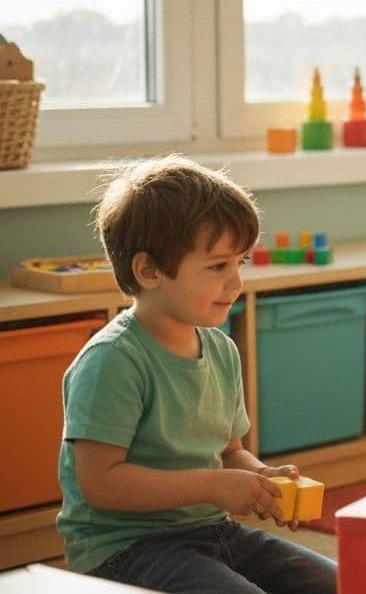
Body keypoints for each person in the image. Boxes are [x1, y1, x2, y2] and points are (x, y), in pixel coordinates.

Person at [58, 155, 336, 593]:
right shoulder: (113, 360)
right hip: (126, 550)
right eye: (218, 266)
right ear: (149, 271)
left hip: (212, 531)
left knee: (345, 581)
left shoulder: (221, 350)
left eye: (240, 262)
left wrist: (261, 480)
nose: (237, 282)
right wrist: (212, 486)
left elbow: (230, 453)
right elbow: (100, 483)